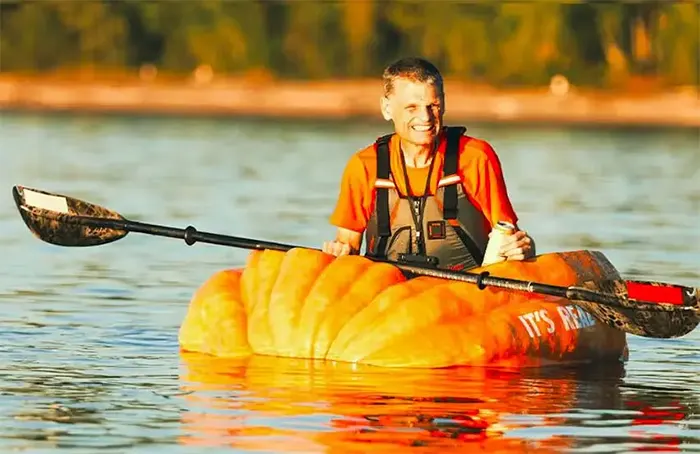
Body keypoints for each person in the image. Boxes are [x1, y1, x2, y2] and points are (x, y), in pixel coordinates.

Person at [322, 57, 535, 270]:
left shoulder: (476, 157)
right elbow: (347, 245)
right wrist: (339, 252)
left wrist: (523, 248)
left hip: (466, 293)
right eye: (411, 108)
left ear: (443, 104)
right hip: (389, 294)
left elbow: (508, 235)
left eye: (433, 106)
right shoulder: (364, 166)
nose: (425, 117)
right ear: (387, 108)